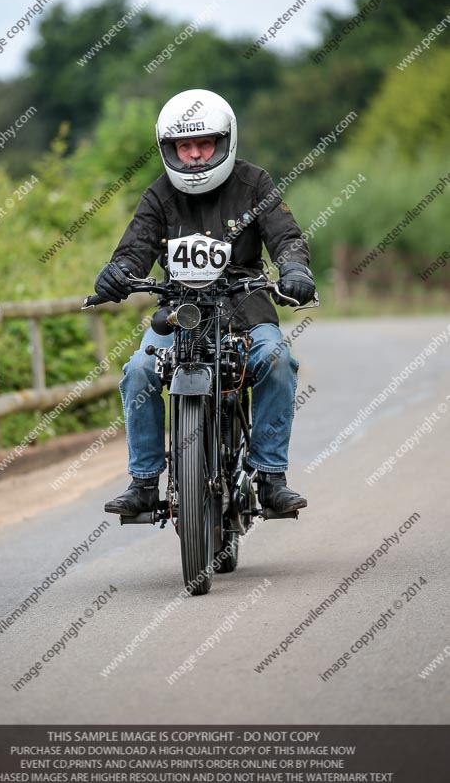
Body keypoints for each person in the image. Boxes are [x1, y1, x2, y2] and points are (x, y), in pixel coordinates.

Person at [94, 88, 316, 518]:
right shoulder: (158, 195)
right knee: (139, 369)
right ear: (170, 149)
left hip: (245, 306)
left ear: (225, 141)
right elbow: (134, 249)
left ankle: (271, 477)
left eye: (204, 144)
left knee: (276, 359)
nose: (194, 155)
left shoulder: (255, 183)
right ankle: (143, 483)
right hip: (179, 312)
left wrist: (295, 269)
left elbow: (286, 237)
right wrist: (117, 271)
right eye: (184, 146)